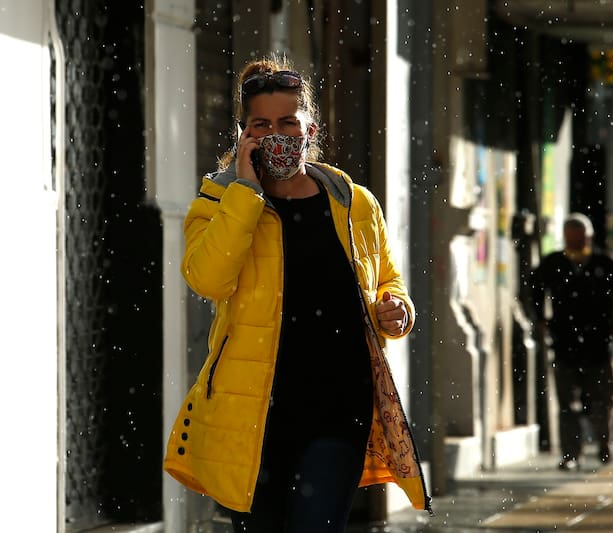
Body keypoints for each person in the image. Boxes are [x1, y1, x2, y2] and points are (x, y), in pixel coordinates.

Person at [163, 56, 431, 532]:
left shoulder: (352, 201)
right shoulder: (217, 202)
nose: (276, 134)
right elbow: (208, 280)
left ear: (310, 128)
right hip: (251, 416)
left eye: (288, 121)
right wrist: (246, 192)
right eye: (261, 124)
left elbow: (388, 278)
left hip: (338, 406)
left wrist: (398, 310)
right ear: (244, 135)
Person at [530, 213, 613, 471]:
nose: (576, 243)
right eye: (571, 238)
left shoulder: (604, 264)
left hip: (598, 345)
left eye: (579, 238)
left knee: (603, 400)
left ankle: (604, 444)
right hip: (565, 344)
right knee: (567, 404)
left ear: (588, 237)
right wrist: (541, 318)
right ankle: (571, 453)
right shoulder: (555, 263)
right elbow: (533, 286)